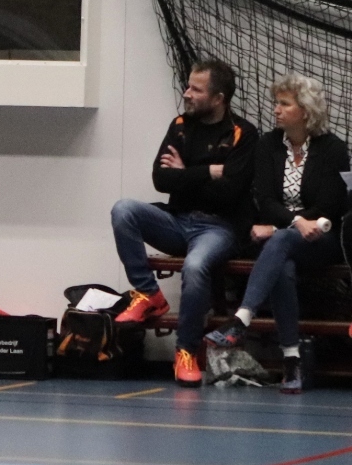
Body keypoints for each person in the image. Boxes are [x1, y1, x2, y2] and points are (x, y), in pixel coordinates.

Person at [110, 59, 258, 388]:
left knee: (195, 265)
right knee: (124, 210)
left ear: (218, 98)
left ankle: (186, 350)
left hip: (219, 227)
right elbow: (161, 179)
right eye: (188, 86)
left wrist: (185, 173)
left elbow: (230, 193)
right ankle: (149, 293)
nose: (187, 93)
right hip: (177, 221)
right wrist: (209, 171)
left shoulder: (243, 134)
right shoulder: (179, 125)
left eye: (196, 89)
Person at [204, 74, 348, 393]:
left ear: (306, 111)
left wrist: (291, 224)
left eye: (284, 104)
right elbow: (266, 199)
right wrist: (293, 222)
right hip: (282, 238)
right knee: (283, 265)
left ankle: (241, 320)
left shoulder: (333, 149)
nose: (276, 110)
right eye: (276, 103)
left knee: (281, 239)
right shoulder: (268, 145)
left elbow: (330, 204)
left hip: (321, 238)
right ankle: (292, 361)